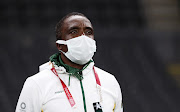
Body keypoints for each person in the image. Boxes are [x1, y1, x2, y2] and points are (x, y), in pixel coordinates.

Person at [16, 12, 123, 112]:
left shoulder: (110, 82)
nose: (83, 37)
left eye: (88, 32)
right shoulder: (37, 84)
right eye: (74, 31)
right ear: (59, 45)